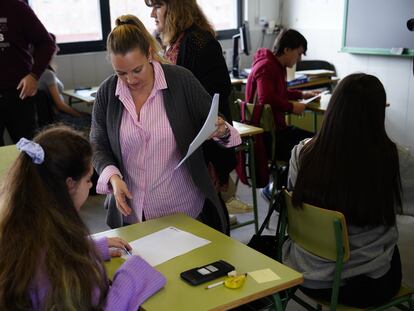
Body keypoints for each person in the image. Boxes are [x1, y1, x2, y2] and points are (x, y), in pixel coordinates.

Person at [90, 15, 241, 234]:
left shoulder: (181, 81)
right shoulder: (108, 92)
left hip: (182, 210)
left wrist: (221, 130)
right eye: (120, 73)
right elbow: (97, 143)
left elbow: (221, 126)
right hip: (131, 214)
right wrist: (113, 177)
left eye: (137, 70)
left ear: (150, 55)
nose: (130, 80)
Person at [0, 125, 166, 310]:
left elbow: (50, 250)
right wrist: (132, 275)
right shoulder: (68, 271)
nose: (90, 186)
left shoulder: (19, 226)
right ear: (70, 184)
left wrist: (88, 248)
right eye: (88, 180)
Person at [283, 73, 402, 308]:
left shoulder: (302, 153)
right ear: (379, 113)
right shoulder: (395, 160)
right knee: (393, 246)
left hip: (302, 272)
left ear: (334, 107)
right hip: (361, 285)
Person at [146, 0, 236, 194]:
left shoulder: (199, 43)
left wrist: (212, 162)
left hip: (203, 151)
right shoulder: (170, 42)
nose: (153, 14)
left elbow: (211, 106)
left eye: (158, 6)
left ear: (175, 9)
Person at [245, 28, 316, 200]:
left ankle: (284, 185)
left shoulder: (276, 65)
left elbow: (279, 93)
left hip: (278, 130)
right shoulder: (267, 67)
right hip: (269, 137)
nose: (299, 59)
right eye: (298, 54)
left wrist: (301, 95)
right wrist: (292, 107)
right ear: (287, 50)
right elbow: (266, 98)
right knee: (313, 149)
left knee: (318, 140)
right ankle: (277, 189)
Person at [0, 0, 56, 145]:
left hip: (18, 92)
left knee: (28, 150)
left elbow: (46, 43)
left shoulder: (16, 7)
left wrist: (34, 75)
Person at [37, 33, 91, 130]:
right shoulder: (48, 74)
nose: (58, 49)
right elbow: (60, 105)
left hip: (55, 117)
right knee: (90, 120)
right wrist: (79, 115)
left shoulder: (38, 72)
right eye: (55, 45)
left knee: (88, 116)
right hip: (59, 118)